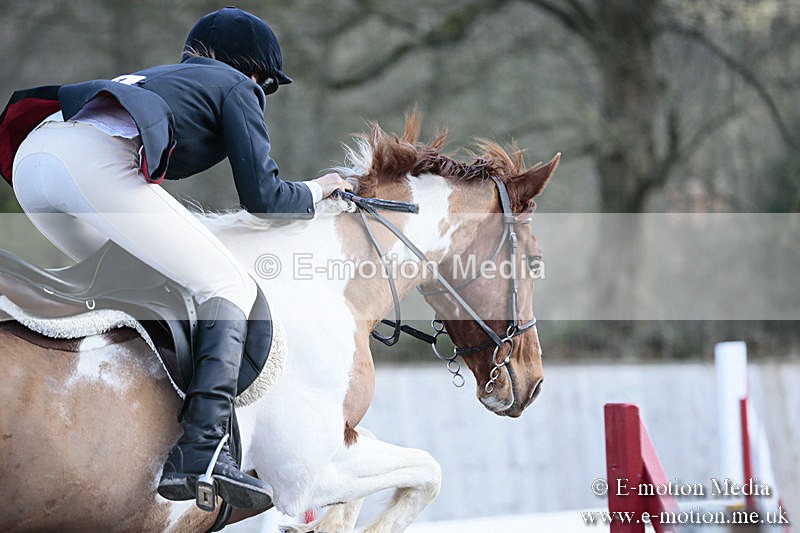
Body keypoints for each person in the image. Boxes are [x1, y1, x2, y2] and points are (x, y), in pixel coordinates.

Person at [0, 7, 352, 509]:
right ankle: (202, 450)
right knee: (228, 285)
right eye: (268, 84)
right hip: (89, 162)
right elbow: (265, 199)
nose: (263, 92)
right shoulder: (237, 85)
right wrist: (320, 189)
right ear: (252, 68)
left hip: (33, 163)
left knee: (137, 281)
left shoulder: (165, 78)